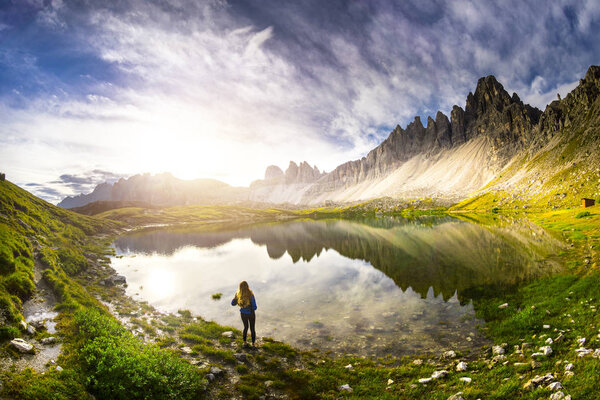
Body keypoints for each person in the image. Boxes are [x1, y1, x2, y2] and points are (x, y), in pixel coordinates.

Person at [231, 281, 257, 348]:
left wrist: (235, 298)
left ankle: (245, 343)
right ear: (247, 286)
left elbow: (232, 304)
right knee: (252, 328)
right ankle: (253, 344)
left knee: (245, 327)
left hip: (243, 314)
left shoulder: (238, 294)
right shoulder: (250, 294)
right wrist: (250, 307)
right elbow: (255, 307)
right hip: (251, 314)